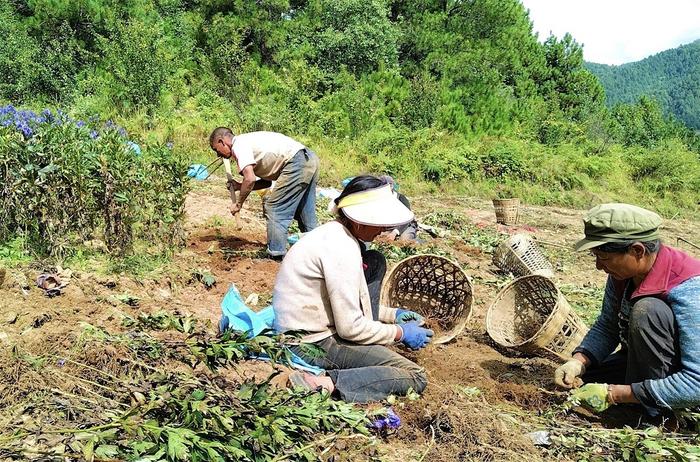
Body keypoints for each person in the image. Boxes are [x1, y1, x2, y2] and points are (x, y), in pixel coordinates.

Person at [272, 175, 433, 403]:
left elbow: (348, 297)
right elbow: (349, 328)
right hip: (310, 343)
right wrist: (399, 332)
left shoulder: (337, 235)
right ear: (359, 221)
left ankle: (364, 345)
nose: (384, 229)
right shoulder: (340, 248)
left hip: (308, 331)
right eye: (379, 222)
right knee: (415, 376)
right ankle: (324, 383)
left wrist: (390, 314)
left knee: (374, 259)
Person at [554, 203, 700, 416]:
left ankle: (655, 414)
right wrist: (578, 362)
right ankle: (636, 397)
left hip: (684, 380)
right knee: (584, 381)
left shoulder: (689, 288)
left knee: (647, 310)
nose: (598, 266)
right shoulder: (622, 274)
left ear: (637, 250)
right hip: (645, 362)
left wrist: (617, 394)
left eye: (603, 258)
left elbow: (696, 383)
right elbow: (608, 326)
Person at [209, 128, 320, 258]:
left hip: (296, 162)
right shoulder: (248, 143)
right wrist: (240, 186)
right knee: (305, 209)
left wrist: (238, 204)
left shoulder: (239, 145)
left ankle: (276, 254)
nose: (218, 155)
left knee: (275, 207)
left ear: (221, 141)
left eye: (216, 150)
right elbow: (265, 183)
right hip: (309, 159)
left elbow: (249, 179)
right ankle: (316, 250)